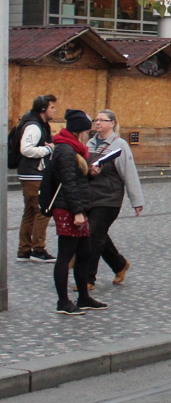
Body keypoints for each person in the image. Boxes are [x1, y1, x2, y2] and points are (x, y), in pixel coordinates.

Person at [51, 109, 107, 314]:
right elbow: (68, 184)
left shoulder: (75, 149)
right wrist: (77, 212)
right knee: (65, 255)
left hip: (77, 206)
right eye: (86, 131)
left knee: (84, 253)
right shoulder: (65, 150)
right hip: (68, 208)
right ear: (77, 131)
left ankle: (83, 297)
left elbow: (78, 181)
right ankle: (63, 302)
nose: (88, 134)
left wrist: (90, 174)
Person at [84, 110, 144, 288]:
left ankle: (88, 278)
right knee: (97, 234)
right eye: (97, 120)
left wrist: (137, 201)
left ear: (112, 123)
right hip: (90, 196)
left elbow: (129, 173)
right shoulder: (90, 143)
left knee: (93, 235)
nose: (98, 123)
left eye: (103, 120)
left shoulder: (119, 145)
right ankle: (119, 264)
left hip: (109, 198)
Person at [14, 94, 58, 263]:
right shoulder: (34, 126)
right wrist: (49, 149)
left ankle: (24, 250)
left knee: (30, 212)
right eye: (52, 107)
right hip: (34, 174)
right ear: (43, 109)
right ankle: (38, 249)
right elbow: (26, 149)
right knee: (42, 210)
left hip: (30, 173)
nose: (54, 110)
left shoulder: (35, 123)